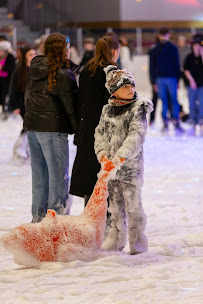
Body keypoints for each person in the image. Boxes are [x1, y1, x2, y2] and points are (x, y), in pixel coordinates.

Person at [94, 65, 153, 255]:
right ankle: (116, 238)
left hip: (129, 168)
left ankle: (137, 243)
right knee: (115, 206)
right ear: (114, 90)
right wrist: (103, 155)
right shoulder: (107, 110)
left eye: (132, 86)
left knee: (133, 206)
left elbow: (136, 136)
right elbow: (99, 134)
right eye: (125, 86)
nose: (131, 89)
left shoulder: (138, 108)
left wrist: (120, 157)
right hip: (111, 169)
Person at [23, 33, 78, 223]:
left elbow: (27, 97)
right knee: (58, 178)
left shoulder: (35, 68)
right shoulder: (63, 73)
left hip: (33, 129)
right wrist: (79, 130)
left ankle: (38, 219)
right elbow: (72, 108)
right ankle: (57, 221)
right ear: (64, 49)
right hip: (52, 130)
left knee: (40, 178)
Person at [69, 36, 120, 206]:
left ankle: (90, 215)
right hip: (105, 131)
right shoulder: (111, 71)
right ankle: (104, 219)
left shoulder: (87, 70)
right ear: (114, 52)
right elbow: (114, 104)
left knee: (89, 175)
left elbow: (80, 101)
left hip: (87, 128)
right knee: (103, 175)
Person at [150, 27, 182, 132]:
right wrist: (153, 82)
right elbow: (152, 66)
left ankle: (174, 120)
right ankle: (167, 122)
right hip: (162, 79)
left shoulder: (172, 48)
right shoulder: (155, 49)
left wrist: (178, 80)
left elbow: (177, 65)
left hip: (169, 78)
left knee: (171, 100)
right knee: (166, 101)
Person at [9, 45, 37, 159]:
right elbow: (13, 89)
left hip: (36, 104)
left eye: (34, 54)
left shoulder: (37, 68)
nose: (33, 56)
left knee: (32, 127)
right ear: (25, 57)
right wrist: (14, 105)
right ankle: (20, 148)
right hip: (23, 104)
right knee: (29, 126)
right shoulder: (19, 71)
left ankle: (26, 149)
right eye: (30, 54)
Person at [184, 33, 203, 136]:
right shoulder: (189, 57)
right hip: (192, 84)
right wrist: (191, 80)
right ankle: (193, 120)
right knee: (192, 103)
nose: (197, 47)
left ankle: (201, 120)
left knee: (202, 103)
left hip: (201, 84)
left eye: (199, 46)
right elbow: (186, 70)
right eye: (195, 45)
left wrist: (202, 53)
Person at [0, 40, 15, 118]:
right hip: (0, 79)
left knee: (5, 94)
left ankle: (6, 109)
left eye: (2, 50)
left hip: (7, 80)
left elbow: (12, 68)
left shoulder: (10, 57)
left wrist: (3, 68)